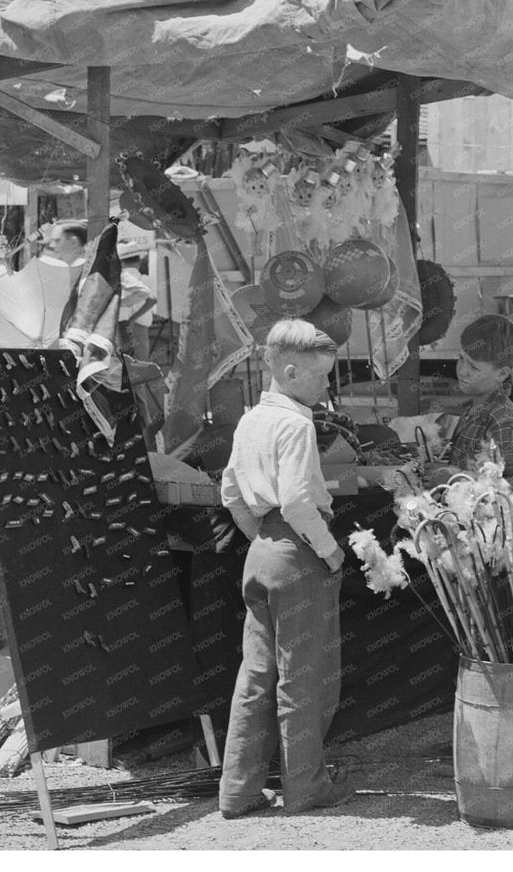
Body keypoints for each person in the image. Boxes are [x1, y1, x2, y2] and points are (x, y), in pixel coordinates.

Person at [218, 320, 354, 818]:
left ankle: (238, 790)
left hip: (261, 555)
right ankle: (305, 787)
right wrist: (330, 551)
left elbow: (231, 493)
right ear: (292, 372)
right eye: (321, 377)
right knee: (304, 678)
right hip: (297, 553)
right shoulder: (297, 424)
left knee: (255, 675)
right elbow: (298, 501)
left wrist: (261, 541)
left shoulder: (250, 419)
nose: (326, 387)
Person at [440, 314, 513, 483]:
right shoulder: (474, 407)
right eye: (461, 359)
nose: (462, 370)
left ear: (502, 373)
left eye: (473, 367)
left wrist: (453, 478)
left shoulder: (503, 419)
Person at [117, 243, 157, 360]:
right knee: (142, 360)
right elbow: (152, 300)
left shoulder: (119, 278)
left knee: (122, 359)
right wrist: (133, 319)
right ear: (138, 262)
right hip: (141, 324)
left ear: (122, 262)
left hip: (121, 324)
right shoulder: (147, 279)